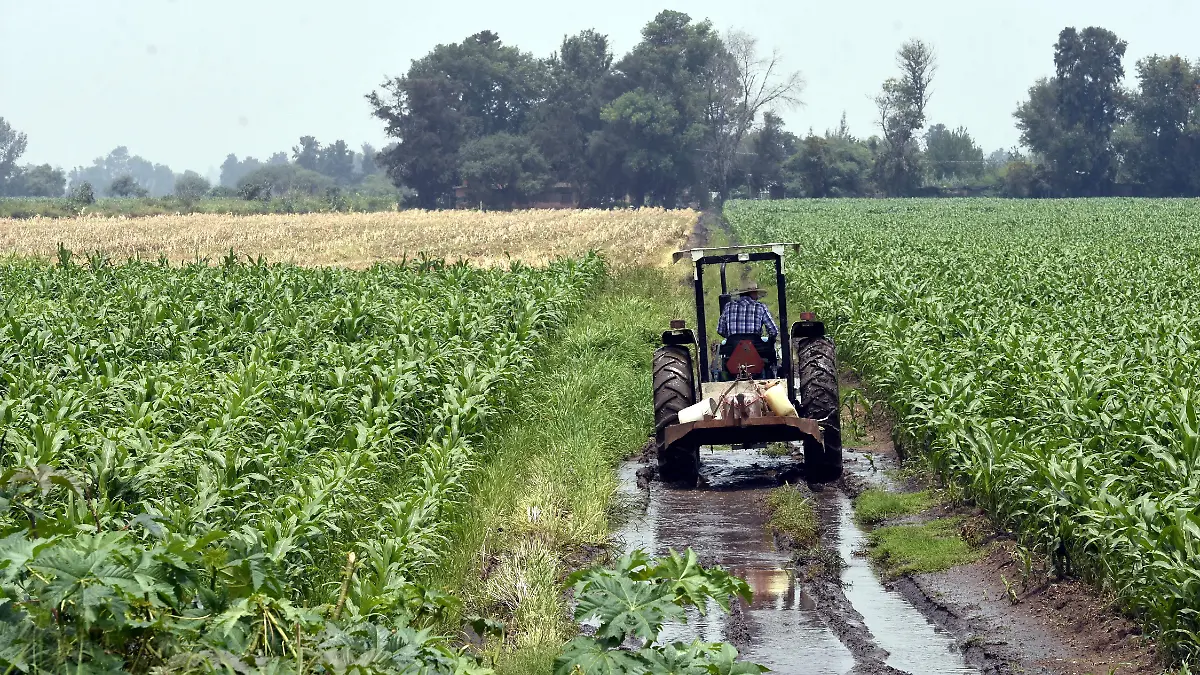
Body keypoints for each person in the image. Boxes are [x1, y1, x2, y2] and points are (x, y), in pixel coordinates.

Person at [716, 283, 779, 378]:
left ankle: (727, 375)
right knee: (770, 350)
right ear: (752, 293)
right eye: (756, 293)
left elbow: (720, 330)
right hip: (756, 347)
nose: (757, 296)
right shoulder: (760, 307)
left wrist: (732, 337)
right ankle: (772, 373)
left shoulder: (728, 306)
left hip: (733, 347)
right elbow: (773, 331)